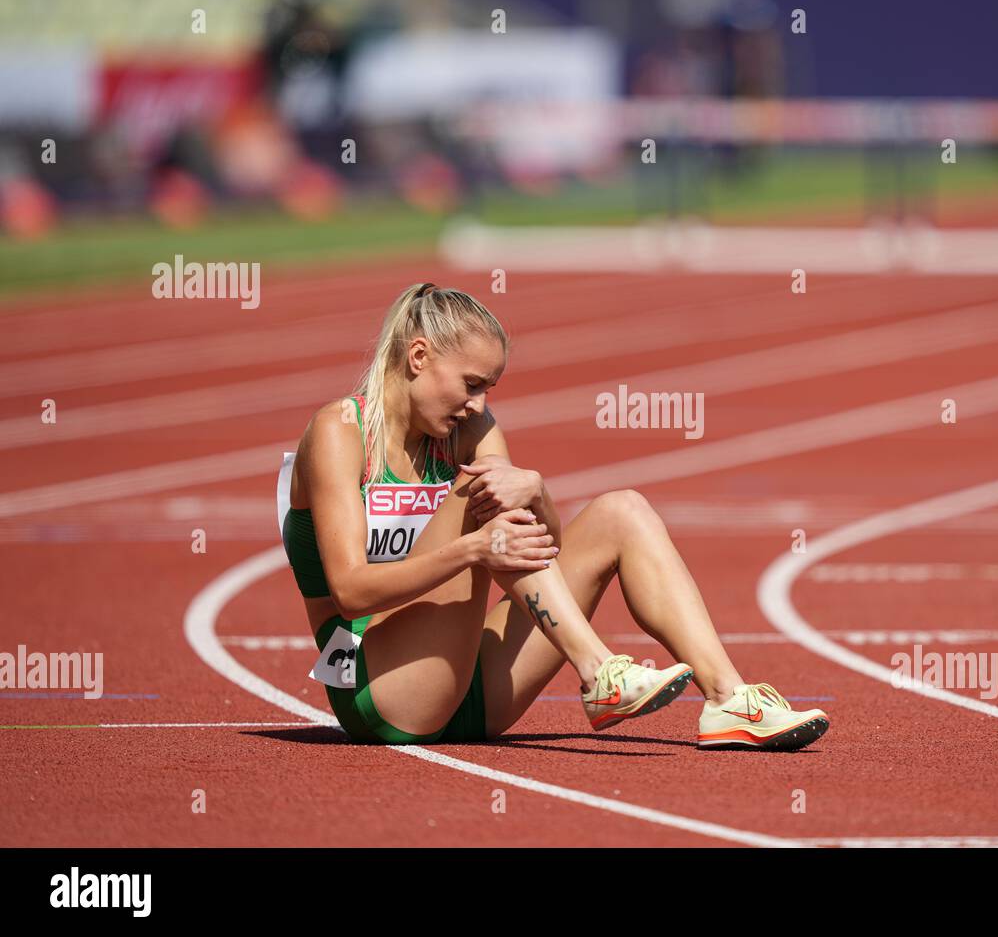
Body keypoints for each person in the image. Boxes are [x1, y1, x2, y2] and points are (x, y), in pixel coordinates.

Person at [277, 282, 829, 750]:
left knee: (623, 511)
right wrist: (471, 550)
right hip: (377, 682)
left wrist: (538, 494)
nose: (477, 404)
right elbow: (349, 591)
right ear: (418, 358)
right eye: (471, 385)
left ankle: (728, 700)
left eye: (488, 389)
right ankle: (596, 671)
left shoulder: (471, 427)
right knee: (483, 499)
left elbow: (540, 548)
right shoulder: (340, 432)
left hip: (474, 685)